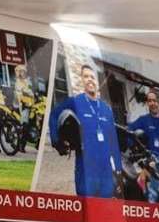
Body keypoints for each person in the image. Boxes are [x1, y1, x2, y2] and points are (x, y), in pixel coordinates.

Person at [49, 62, 123, 198]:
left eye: (92, 77)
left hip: (105, 172)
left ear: (97, 81)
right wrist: (56, 140)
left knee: (103, 212)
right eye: (86, 76)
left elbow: (114, 142)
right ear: (82, 80)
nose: (90, 79)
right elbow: (54, 115)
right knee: (86, 211)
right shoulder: (75, 102)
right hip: (85, 169)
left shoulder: (107, 109)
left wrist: (118, 171)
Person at [128, 89, 159, 159]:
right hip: (151, 162)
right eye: (149, 101)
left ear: (158, 102)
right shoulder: (143, 119)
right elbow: (129, 129)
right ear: (147, 103)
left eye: (154, 100)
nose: (152, 103)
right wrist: (131, 143)